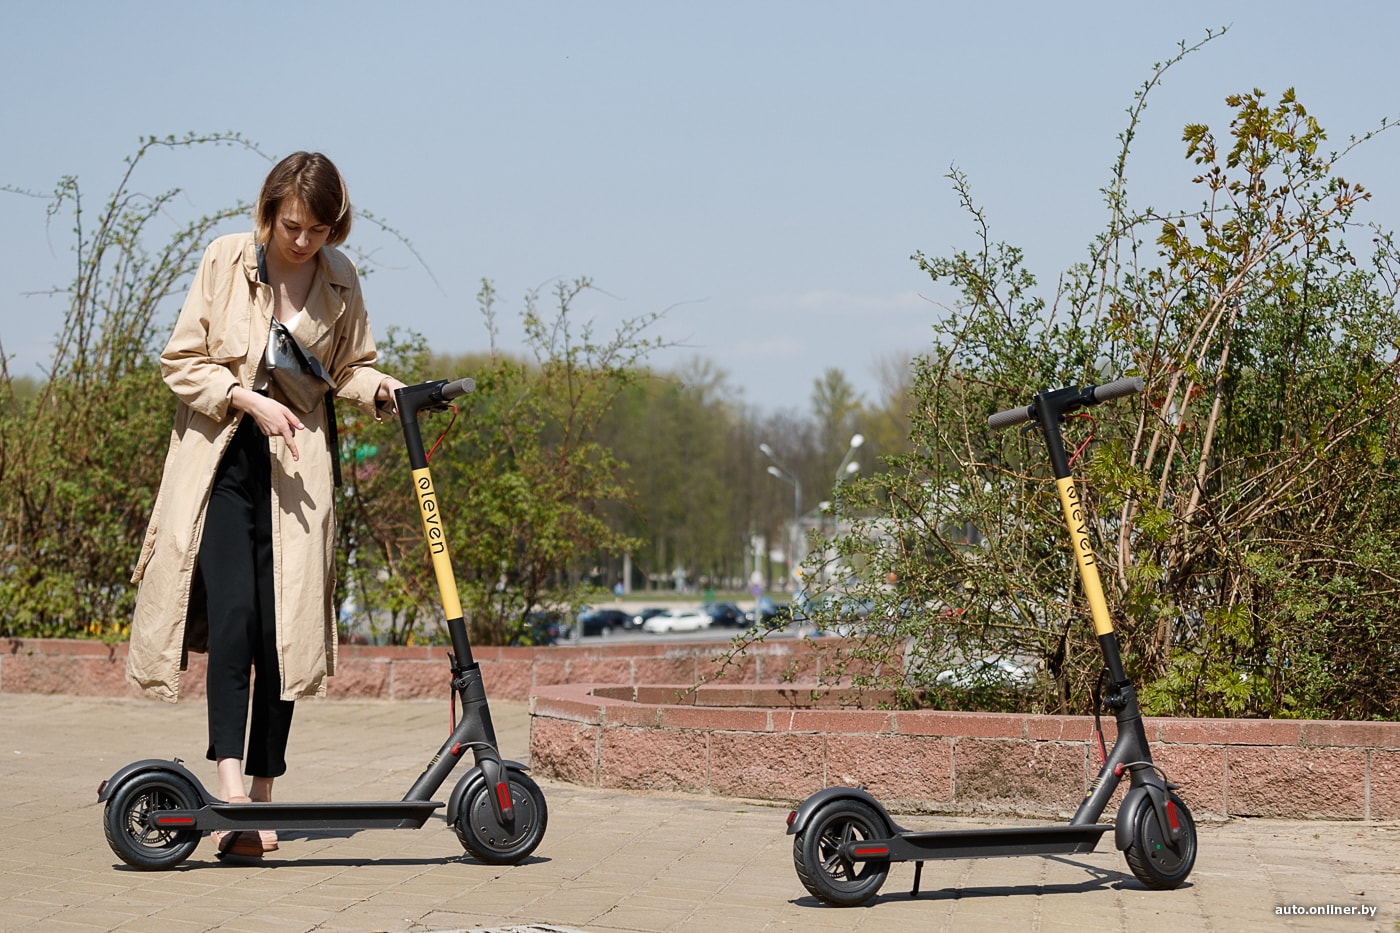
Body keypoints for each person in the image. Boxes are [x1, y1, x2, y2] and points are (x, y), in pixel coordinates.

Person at [125, 152, 405, 859]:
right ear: (269, 209)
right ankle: (229, 798)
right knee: (237, 623)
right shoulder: (225, 260)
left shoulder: (340, 281)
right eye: (291, 226)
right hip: (223, 463)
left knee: (283, 634)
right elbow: (181, 361)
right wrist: (245, 397)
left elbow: (347, 369)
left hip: (297, 474)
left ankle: (264, 795)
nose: (302, 241)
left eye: (316, 229)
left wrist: (379, 389)